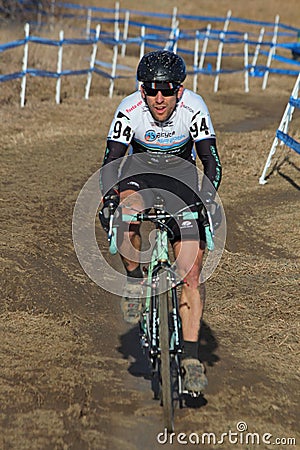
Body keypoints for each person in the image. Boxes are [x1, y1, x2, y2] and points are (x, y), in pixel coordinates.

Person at [99, 50, 222, 393]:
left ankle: (191, 358)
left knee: (191, 274)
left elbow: (211, 162)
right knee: (124, 215)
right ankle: (136, 280)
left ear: (179, 91)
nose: (158, 97)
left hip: (181, 182)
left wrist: (206, 200)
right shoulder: (130, 110)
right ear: (142, 90)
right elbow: (111, 162)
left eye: (166, 90)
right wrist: (109, 201)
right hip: (141, 177)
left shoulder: (194, 108)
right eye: (151, 89)